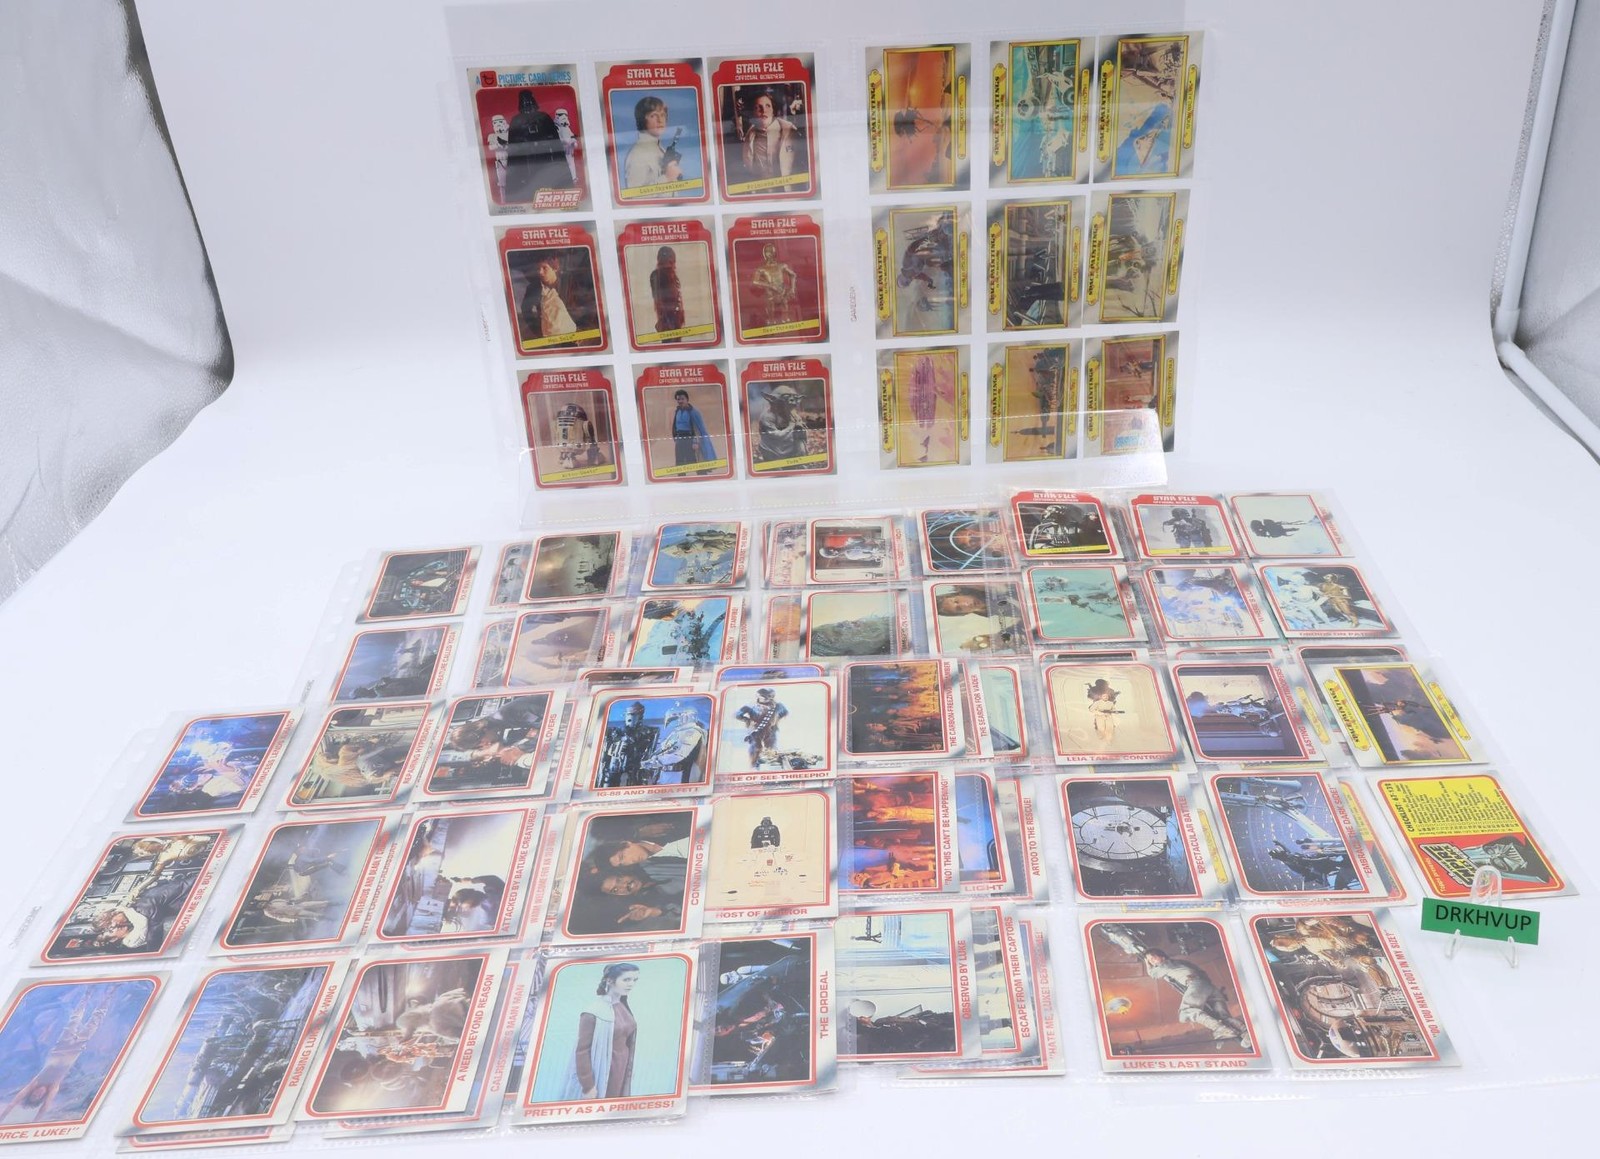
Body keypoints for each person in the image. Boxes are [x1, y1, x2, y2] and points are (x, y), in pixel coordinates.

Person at [563, 964, 639, 1100]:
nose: (631, 984)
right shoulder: (593, 1012)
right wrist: (588, 1086)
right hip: (605, 1068)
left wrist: (629, 1067)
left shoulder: (623, 1006)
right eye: (626, 980)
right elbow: (582, 1051)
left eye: (634, 980)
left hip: (621, 1067)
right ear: (610, 980)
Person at [504, 89, 569, 201]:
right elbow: (513, 143)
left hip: (544, 154)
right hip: (526, 157)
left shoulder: (543, 117)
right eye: (525, 102)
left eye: (529, 101)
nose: (528, 105)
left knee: (547, 176)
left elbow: (554, 139)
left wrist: (546, 143)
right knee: (529, 179)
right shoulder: (517, 120)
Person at [623, 96, 683, 191]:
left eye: (663, 115)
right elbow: (634, 195)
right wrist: (667, 178)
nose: (660, 120)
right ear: (642, 119)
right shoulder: (639, 153)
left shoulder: (658, 149)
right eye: (653, 115)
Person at [740, 91, 799, 185]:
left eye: (768, 106)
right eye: (758, 107)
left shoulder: (789, 131)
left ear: (773, 110)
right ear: (753, 112)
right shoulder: (750, 136)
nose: (764, 111)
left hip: (786, 187)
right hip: (761, 188)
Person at [518, 255, 578, 344]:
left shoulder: (569, 283)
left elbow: (581, 306)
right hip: (548, 336)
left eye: (544, 268)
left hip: (571, 333)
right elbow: (526, 309)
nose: (540, 272)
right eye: (538, 268)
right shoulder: (534, 288)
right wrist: (538, 330)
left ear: (555, 268)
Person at [754, 383, 809, 466]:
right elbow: (777, 435)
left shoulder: (792, 415)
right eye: (786, 398)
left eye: (793, 398)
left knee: (800, 440)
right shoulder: (767, 417)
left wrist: (800, 427)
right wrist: (792, 425)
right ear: (773, 400)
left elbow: (801, 430)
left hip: (788, 446)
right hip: (773, 449)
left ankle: (801, 462)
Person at [749, 242, 799, 330]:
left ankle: (785, 321)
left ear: (775, 252)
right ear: (764, 254)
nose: (770, 254)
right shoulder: (761, 269)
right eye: (767, 252)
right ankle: (771, 321)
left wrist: (792, 289)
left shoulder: (781, 266)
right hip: (770, 294)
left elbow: (793, 275)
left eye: (771, 251)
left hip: (782, 291)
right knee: (771, 311)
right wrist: (769, 285)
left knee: (785, 310)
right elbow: (755, 281)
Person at [735, 688, 788, 768]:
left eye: (769, 696)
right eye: (764, 696)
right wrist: (748, 721)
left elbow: (784, 712)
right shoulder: (750, 706)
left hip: (771, 731)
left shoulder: (778, 706)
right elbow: (738, 715)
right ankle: (753, 767)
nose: (767, 698)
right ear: (759, 696)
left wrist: (776, 720)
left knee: (771, 751)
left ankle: (770, 768)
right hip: (755, 731)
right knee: (756, 749)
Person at [667, 389, 715, 470]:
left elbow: (698, 429)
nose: (680, 401)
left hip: (691, 440)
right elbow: (675, 426)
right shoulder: (677, 411)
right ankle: (681, 476)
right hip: (679, 440)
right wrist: (675, 438)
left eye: (682, 399)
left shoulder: (693, 412)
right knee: (680, 462)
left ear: (687, 399)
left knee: (695, 462)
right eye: (678, 399)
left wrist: (696, 442)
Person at [649, 246, 685, 340]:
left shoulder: (670, 275)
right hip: (668, 319)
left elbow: (676, 297)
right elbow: (658, 299)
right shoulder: (658, 275)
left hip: (673, 319)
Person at [485, 113, 509, 201]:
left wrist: (505, 145)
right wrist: (499, 144)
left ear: (504, 122)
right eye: (495, 123)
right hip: (500, 161)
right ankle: (503, 200)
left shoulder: (509, 134)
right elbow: (490, 147)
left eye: (500, 122)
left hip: (511, 160)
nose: (498, 124)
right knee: (502, 183)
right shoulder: (492, 136)